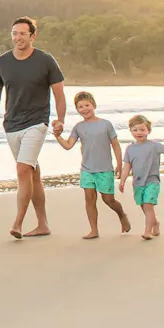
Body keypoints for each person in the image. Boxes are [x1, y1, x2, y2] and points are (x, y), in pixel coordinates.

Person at [0, 16, 67, 239]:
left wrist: (60, 119)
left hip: (37, 122)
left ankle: (17, 223)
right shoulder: (2, 62)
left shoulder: (46, 61)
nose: (17, 37)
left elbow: (59, 93)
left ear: (33, 36)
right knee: (32, 174)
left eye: (22, 33)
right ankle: (43, 224)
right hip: (11, 124)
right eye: (14, 33)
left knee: (22, 170)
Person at [51, 91, 129, 239]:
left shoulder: (105, 124)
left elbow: (115, 145)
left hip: (105, 169)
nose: (84, 109)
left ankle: (121, 214)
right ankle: (94, 230)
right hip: (87, 170)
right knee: (89, 198)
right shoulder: (78, 127)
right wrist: (57, 136)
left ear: (93, 105)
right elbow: (68, 145)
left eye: (87, 105)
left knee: (108, 200)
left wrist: (119, 164)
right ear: (77, 109)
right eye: (80, 107)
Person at [119, 114, 164, 240]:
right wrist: (122, 180)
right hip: (137, 183)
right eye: (135, 130)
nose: (139, 132)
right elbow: (127, 166)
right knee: (144, 206)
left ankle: (147, 231)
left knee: (148, 206)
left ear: (148, 130)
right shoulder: (130, 149)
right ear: (131, 131)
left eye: (142, 129)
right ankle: (155, 223)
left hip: (152, 182)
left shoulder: (154, 145)